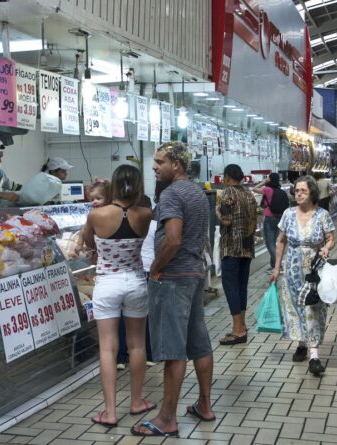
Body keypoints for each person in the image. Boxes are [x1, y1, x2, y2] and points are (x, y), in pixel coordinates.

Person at [132, 142, 213, 437]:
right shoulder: (196, 193)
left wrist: (155, 269)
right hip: (193, 274)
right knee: (200, 344)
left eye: (159, 161)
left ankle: (167, 418)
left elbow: (173, 239)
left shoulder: (171, 194)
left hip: (173, 278)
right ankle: (204, 405)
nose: (154, 167)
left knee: (173, 351)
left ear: (176, 164)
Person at [81, 164, 155, 428]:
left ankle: (110, 412)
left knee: (108, 348)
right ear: (137, 187)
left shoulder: (96, 215)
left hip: (107, 284)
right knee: (137, 345)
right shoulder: (145, 214)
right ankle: (137, 402)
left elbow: (89, 244)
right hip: (135, 281)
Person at [270, 176, 335, 377]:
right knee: (296, 307)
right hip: (292, 269)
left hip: (315, 270)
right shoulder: (288, 214)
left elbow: (331, 238)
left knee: (314, 307)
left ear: (312, 193)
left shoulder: (322, 215)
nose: (298, 194)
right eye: (296, 190)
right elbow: (281, 241)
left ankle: (314, 355)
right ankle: (301, 343)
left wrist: (325, 248)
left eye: (303, 191)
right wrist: (276, 267)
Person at [217, 164, 257, 345]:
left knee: (230, 286)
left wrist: (216, 210)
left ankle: (238, 330)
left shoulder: (228, 193)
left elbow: (226, 220)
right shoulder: (249, 193)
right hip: (247, 247)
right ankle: (242, 324)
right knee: (242, 286)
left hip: (232, 247)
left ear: (226, 177)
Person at [252, 173, 285, 271]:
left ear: (270, 179)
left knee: (269, 243)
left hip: (270, 218)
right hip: (279, 218)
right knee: (274, 242)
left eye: (268, 178)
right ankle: (274, 265)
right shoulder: (279, 190)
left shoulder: (267, 189)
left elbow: (254, 189)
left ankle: (278, 265)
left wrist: (264, 182)